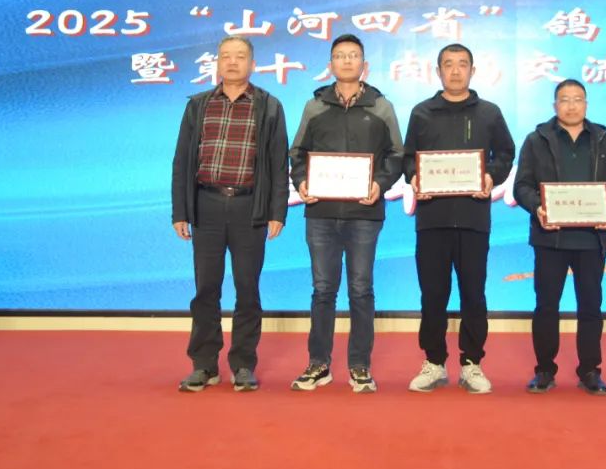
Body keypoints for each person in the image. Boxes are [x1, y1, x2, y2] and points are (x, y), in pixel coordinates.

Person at [172, 36, 290, 393]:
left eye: (240, 56)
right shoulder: (199, 105)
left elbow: (278, 162)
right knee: (205, 289)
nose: (232, 62)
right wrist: (180, 211)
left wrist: (277, 211)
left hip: (248, 207)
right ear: (217, 63)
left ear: (252, 64)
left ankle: (243, 364)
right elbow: (182, 160)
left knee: (247, 289)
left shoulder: (269, 106)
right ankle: (204, 365)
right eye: (226, 56)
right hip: (206, 205)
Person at [288, 34, 404, 393]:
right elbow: (297, 152)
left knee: (360, 289)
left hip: (364, 214)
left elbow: (396, 155)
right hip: (321, 213)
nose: (347, 61)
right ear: (331, 64)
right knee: (323, 290)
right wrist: (302, 181)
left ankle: (359, 365)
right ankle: (318, 363)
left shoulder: (381, 106)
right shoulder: (315, 106)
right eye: (340, 55)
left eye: (354, 55)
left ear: (364, 65)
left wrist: (380, 184)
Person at [402, 44, 516, 394]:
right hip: (432, 220)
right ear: (438, 71)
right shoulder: (422, 113)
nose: (455, 71)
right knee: (432, 295)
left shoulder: (489, 113)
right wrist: (415, 177)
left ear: (472, 71)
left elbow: (506, 153)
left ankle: (471, 363)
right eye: (448, 65)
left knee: (473, 294)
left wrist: (491, 176)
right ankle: (434, 362)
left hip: (473, 219)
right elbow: (407, 158)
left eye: (462, 64)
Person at [513, 79, 606, 396]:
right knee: (546, 306)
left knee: (590, 306)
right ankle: (544, 370)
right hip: (550, 238)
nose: (572, 105)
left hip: (592, 239)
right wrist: (538, 207)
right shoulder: (537, 140)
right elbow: (522, 186)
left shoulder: (605, 141)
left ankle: (590, 370)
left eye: (578, 99)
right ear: (555, 105)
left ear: (586, 104)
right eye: (565, 99)